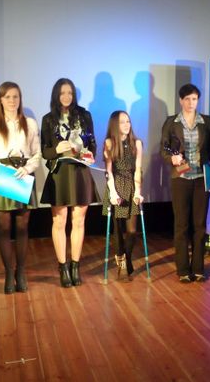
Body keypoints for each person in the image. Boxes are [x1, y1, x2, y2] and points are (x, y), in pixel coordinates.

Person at [0, 81, 40, 294]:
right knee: (4, 227)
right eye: (7, 97)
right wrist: (2, 170)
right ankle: (8, 273)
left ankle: (20, 272)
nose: (12, 101)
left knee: (22, 227)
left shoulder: (30, 123)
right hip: (3, 175)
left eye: (15, 96)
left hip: (23, 174)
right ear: (0, 100)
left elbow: (37, 153)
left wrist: (28, 168)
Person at [40, 78, 100, 287]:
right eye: (62, 93)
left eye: (70, 93)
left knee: (79, 220)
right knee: (59, 221)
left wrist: (89, 154)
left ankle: (75, 265)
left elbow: (93, 143)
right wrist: (56, 149)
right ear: (56, 95)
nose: (66, 97)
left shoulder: (84, 115)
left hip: (80, 171)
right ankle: (63, 266)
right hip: (60, 173)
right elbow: (45, 151)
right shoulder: (48, 119)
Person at [160, 84, 210, 283]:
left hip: (202, 178)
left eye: (194, 99)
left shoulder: (206, 122)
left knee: (200, 225)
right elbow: (163, 149)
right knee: (182, 225)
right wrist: (172, 158)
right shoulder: (172, 122)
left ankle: (199, 268)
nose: (191, 103)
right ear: (180, 100)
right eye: (187, 99)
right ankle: (183, 270)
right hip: (181, 179)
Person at [102, 110, 143, 281]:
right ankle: (121, 257)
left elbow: (138, 169)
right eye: (122, 122)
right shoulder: (109, 143)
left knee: (132, 230)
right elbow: (109, 171)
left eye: (128, 121)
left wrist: (138, 191)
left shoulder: (137, 143)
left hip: (131, 185)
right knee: (118, 229)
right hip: (116, 185)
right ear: (114, 125)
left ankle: (126, 257)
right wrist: (112, 192)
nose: (127, 125)